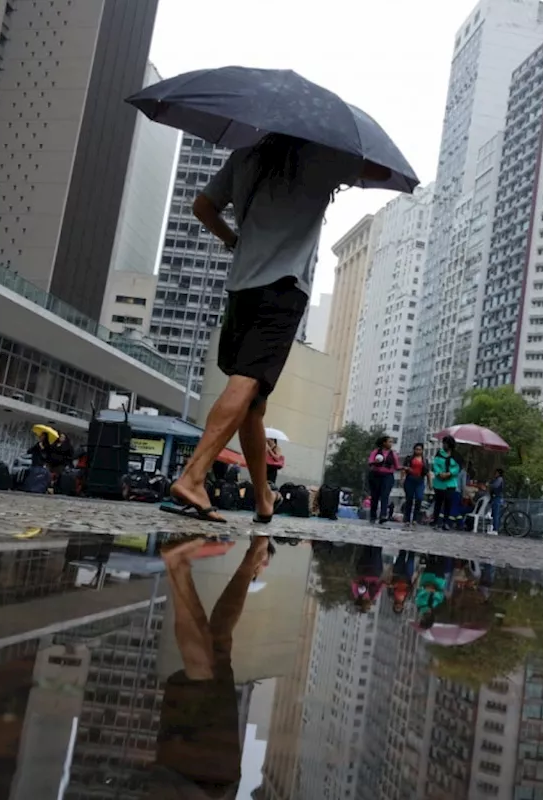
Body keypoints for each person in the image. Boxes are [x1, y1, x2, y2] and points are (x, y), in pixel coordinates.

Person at [165, 133, 393, 523]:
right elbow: (381, 172)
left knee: (253, 404)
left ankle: (263, 497)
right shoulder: (321, 157)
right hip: (283, 289)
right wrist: (339, 159)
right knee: (246, 383)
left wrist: (233, 240)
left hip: (241, 288)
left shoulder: (244, 155)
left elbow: (203, 207)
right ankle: (193, 476)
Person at [149, 534, 272, 797]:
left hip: (199, 783)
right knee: (218, 647)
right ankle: (252, 556)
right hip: (204, 780)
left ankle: (178, 567)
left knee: (206, 677)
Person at [430, 436, 461, 530]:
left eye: (446, 443)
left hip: (451, 482)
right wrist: (439, 473)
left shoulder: (456, 455)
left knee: (448, 502)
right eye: (443, 443)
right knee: (438, 502)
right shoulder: (439, 453)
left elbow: (457, 467)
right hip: (439, 481)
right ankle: (435, 521)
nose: (444, 445)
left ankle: (446, 522)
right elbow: (435, 464)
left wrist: (450, 473)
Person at [366, 436, 399, 526]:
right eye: (389, 442)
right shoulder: (376, 452)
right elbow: (370, 462)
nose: (391, 444)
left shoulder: (393, 454)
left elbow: (397, 466)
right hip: (375, 475)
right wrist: (375, 462)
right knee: (375, 496)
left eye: (392, 442)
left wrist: (404, 468)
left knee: (385, 495)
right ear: (384, 443)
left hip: (388, 476)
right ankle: (373, 516)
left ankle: (383, 516)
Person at [401, 443, 429, 527]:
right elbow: (403, 469)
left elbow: (427, 472)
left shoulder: (424, 460)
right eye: (416, 449)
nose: (418, 451)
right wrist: (402, 478)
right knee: (409, 499)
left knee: (419, 498)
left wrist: (430, 483)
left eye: (419, 449)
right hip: (410, 480)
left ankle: (415, 519)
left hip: (420, 481)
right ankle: (407, 519)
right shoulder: (409, 458)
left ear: (422, 450)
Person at [488, 468, 506, 532]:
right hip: (496, 497)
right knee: (495, 513)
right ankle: (495, 528)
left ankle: (495, 529)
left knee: (496, 514)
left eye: (496, 473)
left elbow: (495, 486)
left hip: (497, 497)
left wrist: (489, 485)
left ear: (499, 473)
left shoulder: (499, 479)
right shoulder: (497, 479)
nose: (495, 474)